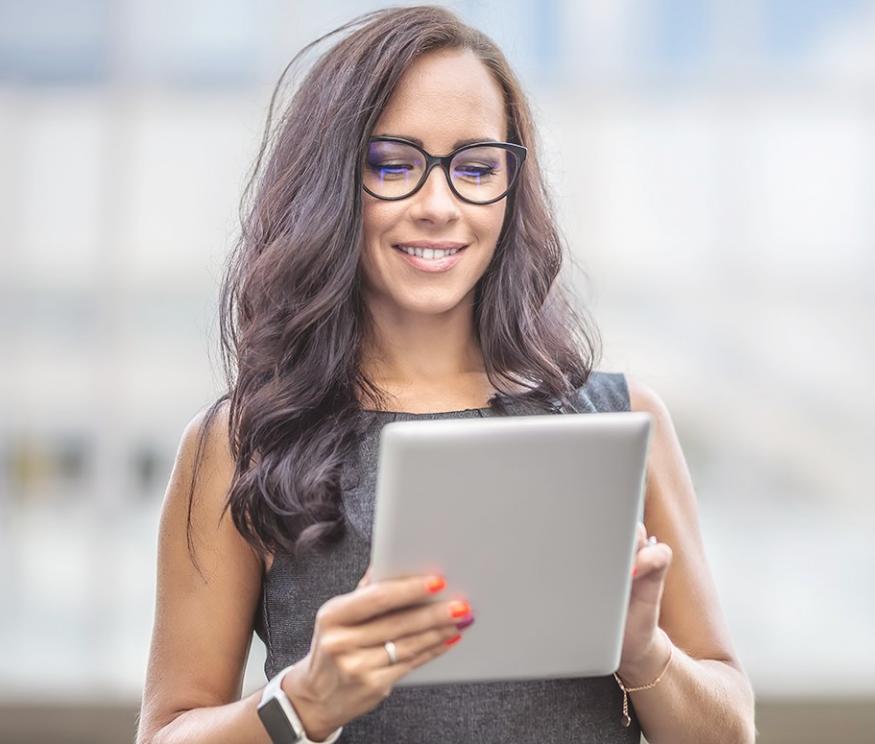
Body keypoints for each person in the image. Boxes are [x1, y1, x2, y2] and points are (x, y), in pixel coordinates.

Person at [135, 6, 755, 743]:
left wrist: (640, 649)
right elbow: (167, 733)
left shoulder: (619, 423)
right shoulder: (240, 446)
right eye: (393, 165)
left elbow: (728, 731)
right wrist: (303, 702)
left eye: (475, 169)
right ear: (334, 184)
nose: (439, 206)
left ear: (510, 186)